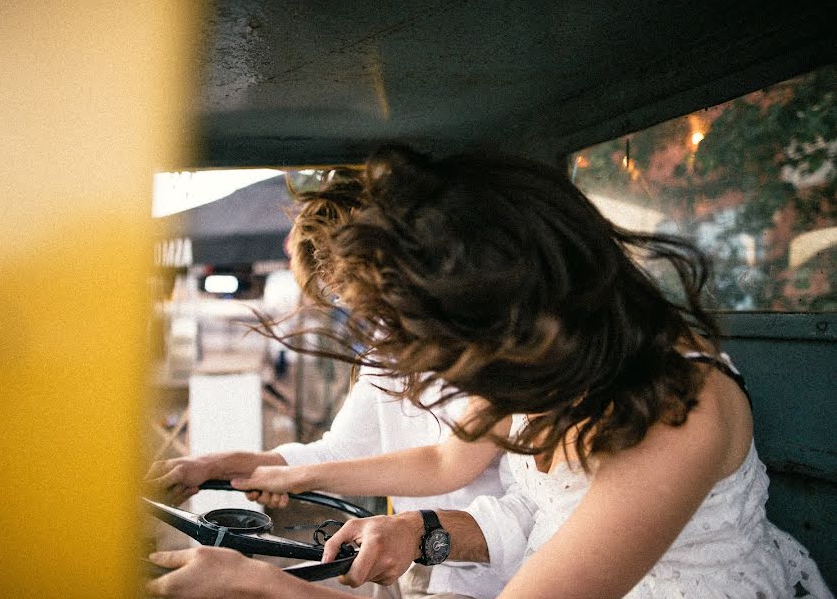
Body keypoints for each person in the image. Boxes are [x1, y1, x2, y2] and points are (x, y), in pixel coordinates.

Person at [146, 147, 833, 599]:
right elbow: (524, 500)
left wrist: (266, 586)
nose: (460, 386)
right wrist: (424, 531)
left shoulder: (677, 414)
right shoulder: (565, 362)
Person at [145, 173, 510, 599]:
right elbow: (343, 450)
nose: (356, 309)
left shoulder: (503, 353)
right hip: (419, 562)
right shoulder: (387, 345)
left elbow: (446, 463)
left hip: (496, 573)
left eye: (351, 291)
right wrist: (224, 464)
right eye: (341, 297)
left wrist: (294, 480)